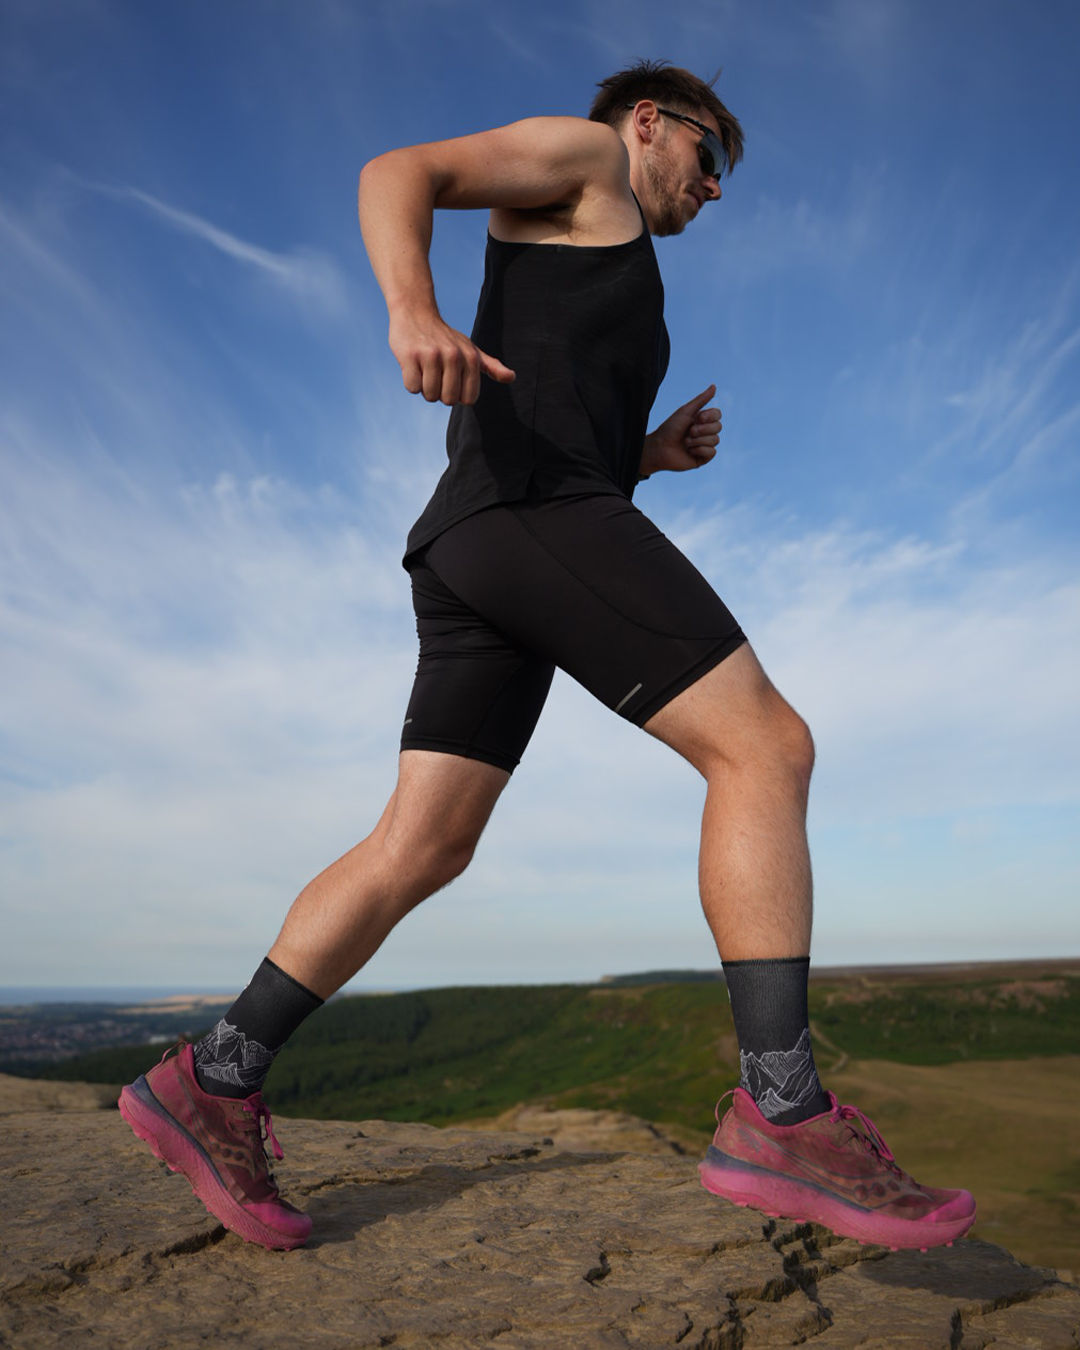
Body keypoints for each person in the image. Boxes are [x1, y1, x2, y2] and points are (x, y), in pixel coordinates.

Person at [119, 60, 975, 1255]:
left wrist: (646, 455)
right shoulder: (587, 165)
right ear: (647, 122)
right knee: (765, 747)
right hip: (530, 519)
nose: (715, 189)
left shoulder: (617, 257)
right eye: (711, 156)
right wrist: (411, 311)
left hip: (487, 537)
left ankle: (213, 1078)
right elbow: (397, 171)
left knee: (424, 844)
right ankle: (782, 1111)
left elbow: (552, 412)